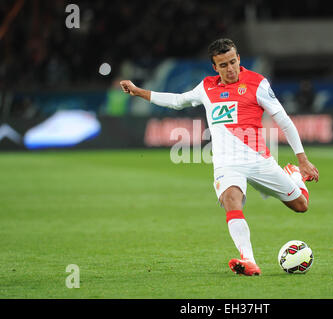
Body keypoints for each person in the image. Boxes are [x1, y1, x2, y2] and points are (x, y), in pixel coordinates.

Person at [119, 38, 319, 276]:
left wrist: (302, 160)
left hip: (259, 160)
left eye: (233, 62)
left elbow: (283, 120)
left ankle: (293, 177)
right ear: (215, 67)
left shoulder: (257, 83)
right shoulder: (206, 88)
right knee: (230, 200)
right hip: (227, 164)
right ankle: (249, 261)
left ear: (239, 59)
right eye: (223, 65)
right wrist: (138, 91)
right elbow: (177, 101)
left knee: (301, 206)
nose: (230, 68)